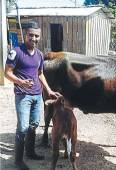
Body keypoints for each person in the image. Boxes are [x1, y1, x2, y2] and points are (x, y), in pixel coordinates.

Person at [4, 21, 59, 170]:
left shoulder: (39, 55)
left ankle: (30, 152)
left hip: (36, 95)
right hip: (23, 96)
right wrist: (20, 82)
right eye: (31, 35)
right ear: (25, 35)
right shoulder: (16, 52)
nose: (34, 39)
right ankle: (18, 160)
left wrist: (48, 90)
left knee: (33, 125)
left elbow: (40, 74)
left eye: (36, 36)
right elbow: (7, 72)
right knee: (22, 127)